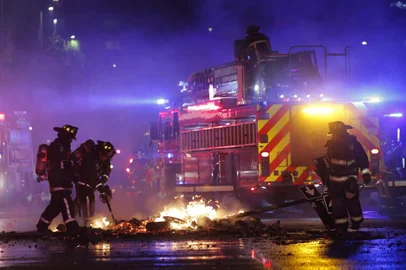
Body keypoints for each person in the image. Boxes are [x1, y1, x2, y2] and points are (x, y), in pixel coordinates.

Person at [324, 121, 372, 232]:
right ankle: (343, 227)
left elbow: (362, 159)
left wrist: (365, 174)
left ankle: (353, 224)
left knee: (349, 202)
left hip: (347, 179)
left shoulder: (351, 143)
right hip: (337, 180)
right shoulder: (332, 144)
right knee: (340, 203)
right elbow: (328, 162)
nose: (335, 135)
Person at [36, 125, 81, 234]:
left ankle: (42, 226)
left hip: (61, 182)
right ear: (65, 136)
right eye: (70, 138)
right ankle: (72, 227)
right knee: (67, 203)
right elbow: (57, 164)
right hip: (60, 183)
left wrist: (73, 173)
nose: (70, 141)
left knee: (55, 206)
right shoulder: (56, 147)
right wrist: (70, 166)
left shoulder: (64, 147)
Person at [76, 140, 115, 226]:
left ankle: (69, 221)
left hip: (91, 186)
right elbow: (92, 176)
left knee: (78, 204)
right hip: (84, 184)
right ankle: (88, 226)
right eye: (105, 156)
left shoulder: (105, 159)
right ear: (101, 153)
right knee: (89, 203)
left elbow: (107, 171)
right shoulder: (91, 158)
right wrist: (101, 189)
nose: (107, 159)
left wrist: (103, 183)